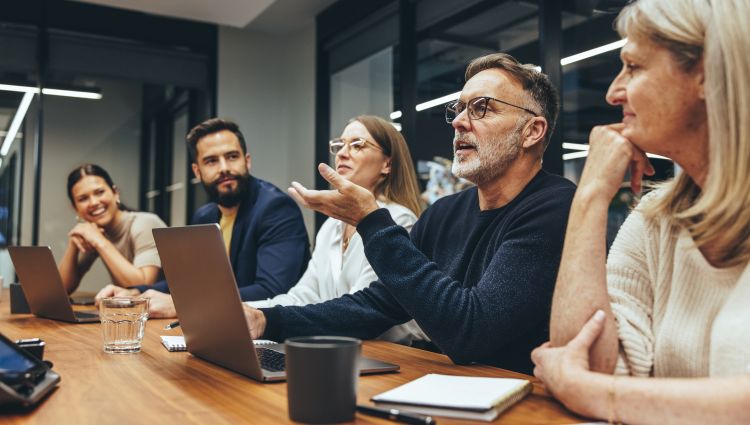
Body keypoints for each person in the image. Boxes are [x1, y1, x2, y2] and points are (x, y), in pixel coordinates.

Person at [242, 53, 576, 374]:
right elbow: (377, 305)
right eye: (459, 109)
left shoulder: (555, 208)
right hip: (450, 389)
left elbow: (472, 332)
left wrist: (371, 221)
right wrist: (267, 320)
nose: (459, 122)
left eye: (481, 108)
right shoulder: (445, 212)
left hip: (521, 399)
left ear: (532, 131)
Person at [531, 1, 750, 423]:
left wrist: (598, 393)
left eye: (632, 66)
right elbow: (585, 359)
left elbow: (584, 383)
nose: (613, 92)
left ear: (706, 73)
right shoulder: (656, 218)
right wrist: (591, 194)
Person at [96, 118, 310, 318]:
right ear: (197, 172)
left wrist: (182, 304)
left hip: (275, 335)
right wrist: (134, 293)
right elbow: (190, 281)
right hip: (222, 324)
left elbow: (272, 290)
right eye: (211, 161)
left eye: (232, 157)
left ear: (247, 161)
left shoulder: (275, 208)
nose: (224, 168)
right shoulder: (205, 215)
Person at [247, 115, 427, 345]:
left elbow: (361, 311)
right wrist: (247, 310)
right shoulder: (332, 225)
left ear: (387, 164)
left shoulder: (398, 220)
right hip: (342, 346)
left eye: (357, 145)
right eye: (339, 145)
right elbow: (304, 295)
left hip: (395, 354)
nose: (342, 153)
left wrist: (265, 319)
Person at [59, 164, 166, 294]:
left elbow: (142, 287)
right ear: (75, 208)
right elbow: (61, 290)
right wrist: (73, 243)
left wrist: (100, 242)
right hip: (130, 312)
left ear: (115, 193)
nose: (93, 202)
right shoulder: (95, 232)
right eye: (83, 199)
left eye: (99, 192)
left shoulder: (145, 223)